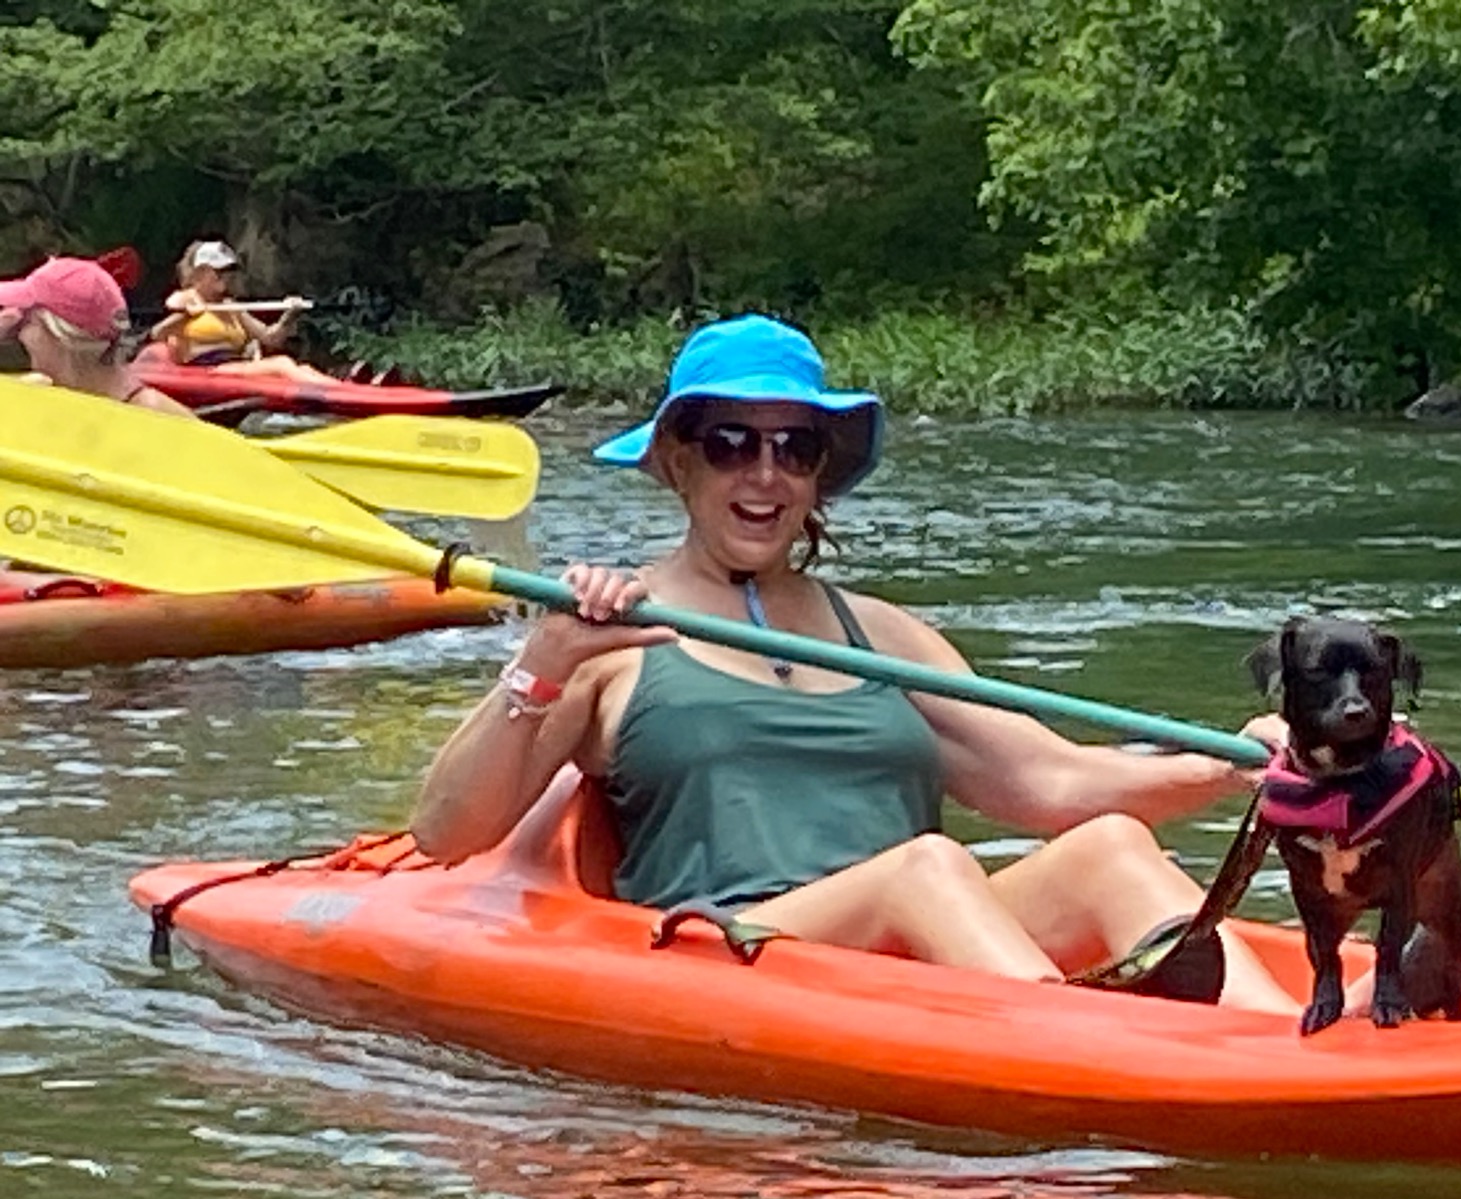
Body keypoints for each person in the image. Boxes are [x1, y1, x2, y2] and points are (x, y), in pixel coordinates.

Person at [411, 314, 1302, 1013]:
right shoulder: (611, 634)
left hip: (918, 946)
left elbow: (1055, 783)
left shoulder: (884, 635)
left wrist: (1236, 767)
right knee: (926, 868)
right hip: (733, 953)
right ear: (678, 461)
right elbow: (446, 834)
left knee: (1108, 847)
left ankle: (1276, 1051)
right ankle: (1096, 1051)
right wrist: (544, 661)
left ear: (817, 474)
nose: (764, 474)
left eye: (793, 448)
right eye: (731, 443)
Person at [0, 255, 193, 416]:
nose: (21, 335)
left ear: (60, 335)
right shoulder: (42, 393)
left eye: (25, 321)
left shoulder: (158, 419)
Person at [147, 239, 329, 384]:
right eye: (220, 271)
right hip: (206, 372)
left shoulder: (232, 308)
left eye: (229, 271)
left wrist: (290, 315)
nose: (227, 276)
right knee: (281, 365)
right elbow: (158, 331)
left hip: (234, 368)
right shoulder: (188, 298)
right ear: (200, 273)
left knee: (302, 369)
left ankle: (346, 392)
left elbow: (271, 338)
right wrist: (186, 313)